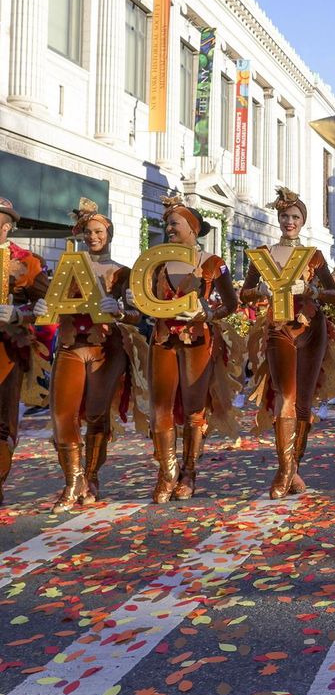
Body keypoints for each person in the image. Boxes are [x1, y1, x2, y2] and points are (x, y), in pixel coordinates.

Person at [34, 199, 145, 511]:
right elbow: (47, 306)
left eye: (98, 231)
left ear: (109, 234)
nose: (92, 236)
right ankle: (72, 482)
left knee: (97, 413)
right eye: (87, 232)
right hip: (70, 346)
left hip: (106, 350)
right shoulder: (66, 270)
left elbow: (138, 316)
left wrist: (122, 311)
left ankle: (92, 477)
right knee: (61, 415)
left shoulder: (123, 273)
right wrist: (42, 309)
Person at [240, 188, 335, 499]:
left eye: (295, 217)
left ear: (303, 221)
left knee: (303, 403)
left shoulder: (314, 256)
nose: (289, 221)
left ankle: (293, 466)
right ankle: (285, 471)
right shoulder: (264, 255)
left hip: (311, 329)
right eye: (285, 216)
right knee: (285, 396)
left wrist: (312, 291)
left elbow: (334, 295)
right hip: (278, 328)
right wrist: (260, 290)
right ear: (279, 218)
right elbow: (243, 294)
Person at [136, 196, 239, 503]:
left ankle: (189, 473)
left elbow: (231, 304)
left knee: (195, 409)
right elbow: (146, 303)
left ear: (193, 229)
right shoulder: (155, 263)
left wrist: (209, 311)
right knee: (161, 407)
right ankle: (167, 472)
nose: (168, 227)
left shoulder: (213, 263)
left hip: (198, 340)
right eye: (167, 223)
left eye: (174, 223)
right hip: (164, 338)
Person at [0, 198, 50, 505]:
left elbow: (48, 305)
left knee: (2, 422)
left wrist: (20, 315)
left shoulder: (26, 262)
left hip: (6, 351)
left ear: (5, 227)